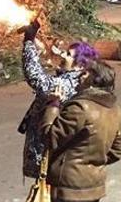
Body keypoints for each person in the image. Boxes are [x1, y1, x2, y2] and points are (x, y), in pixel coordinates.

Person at [42, 60, 121, 202]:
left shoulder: (80, 108)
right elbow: (116, 151)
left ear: (96, 80)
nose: (80, 76)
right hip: (94, 183)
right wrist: (94, 161)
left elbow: (50, 137)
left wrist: (54, 105)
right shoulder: (114, 110)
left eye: (86, 73)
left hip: (69, 185)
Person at [19, 20, 99, 179]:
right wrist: (39, 45)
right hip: (53, 158)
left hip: (51, 159)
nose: (63, 55)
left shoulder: (67, 83)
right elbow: (53, 64)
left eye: (68, 55)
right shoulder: (71, 78)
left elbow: (37, 79)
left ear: (79, 66)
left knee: (45, 201)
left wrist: (28, 42)